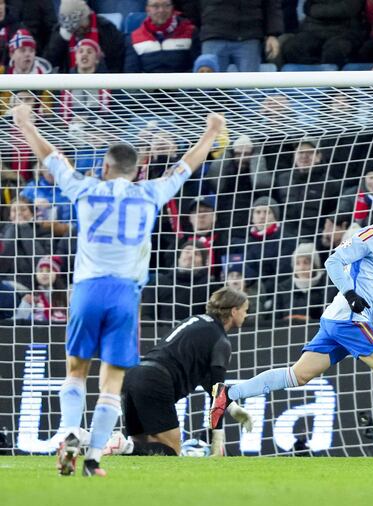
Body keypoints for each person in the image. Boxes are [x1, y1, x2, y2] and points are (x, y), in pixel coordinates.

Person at [11, 102, 225, 477]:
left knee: (76, 371)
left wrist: (25, 123)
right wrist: (210, 133)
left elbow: (51, 158)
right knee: (112, 381)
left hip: (88, 290)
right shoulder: (151, 192)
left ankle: (69, 433)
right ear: (138, 170)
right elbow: (185, 166)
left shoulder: (86, 187)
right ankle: (94, 458)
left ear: (105, 168)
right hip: (125, 294)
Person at [209, 186, 373, 460]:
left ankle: (229, 393)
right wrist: (350, 294)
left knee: (297, 375)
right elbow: (333, 261)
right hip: (349, 318)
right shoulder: (370, 235)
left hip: (338, 319)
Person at [108, 287, 253, 457]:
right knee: (172, 451)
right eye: (245, 310)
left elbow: (208, 382)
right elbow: (217, 393)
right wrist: (217, 438)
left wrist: (232, 407)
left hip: (133, 376)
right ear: (234, 311)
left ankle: (123, 446)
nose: (246, 315)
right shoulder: (221, 341)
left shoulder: (195, 321)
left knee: (142, 447)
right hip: (155, 381)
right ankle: (123, 446)